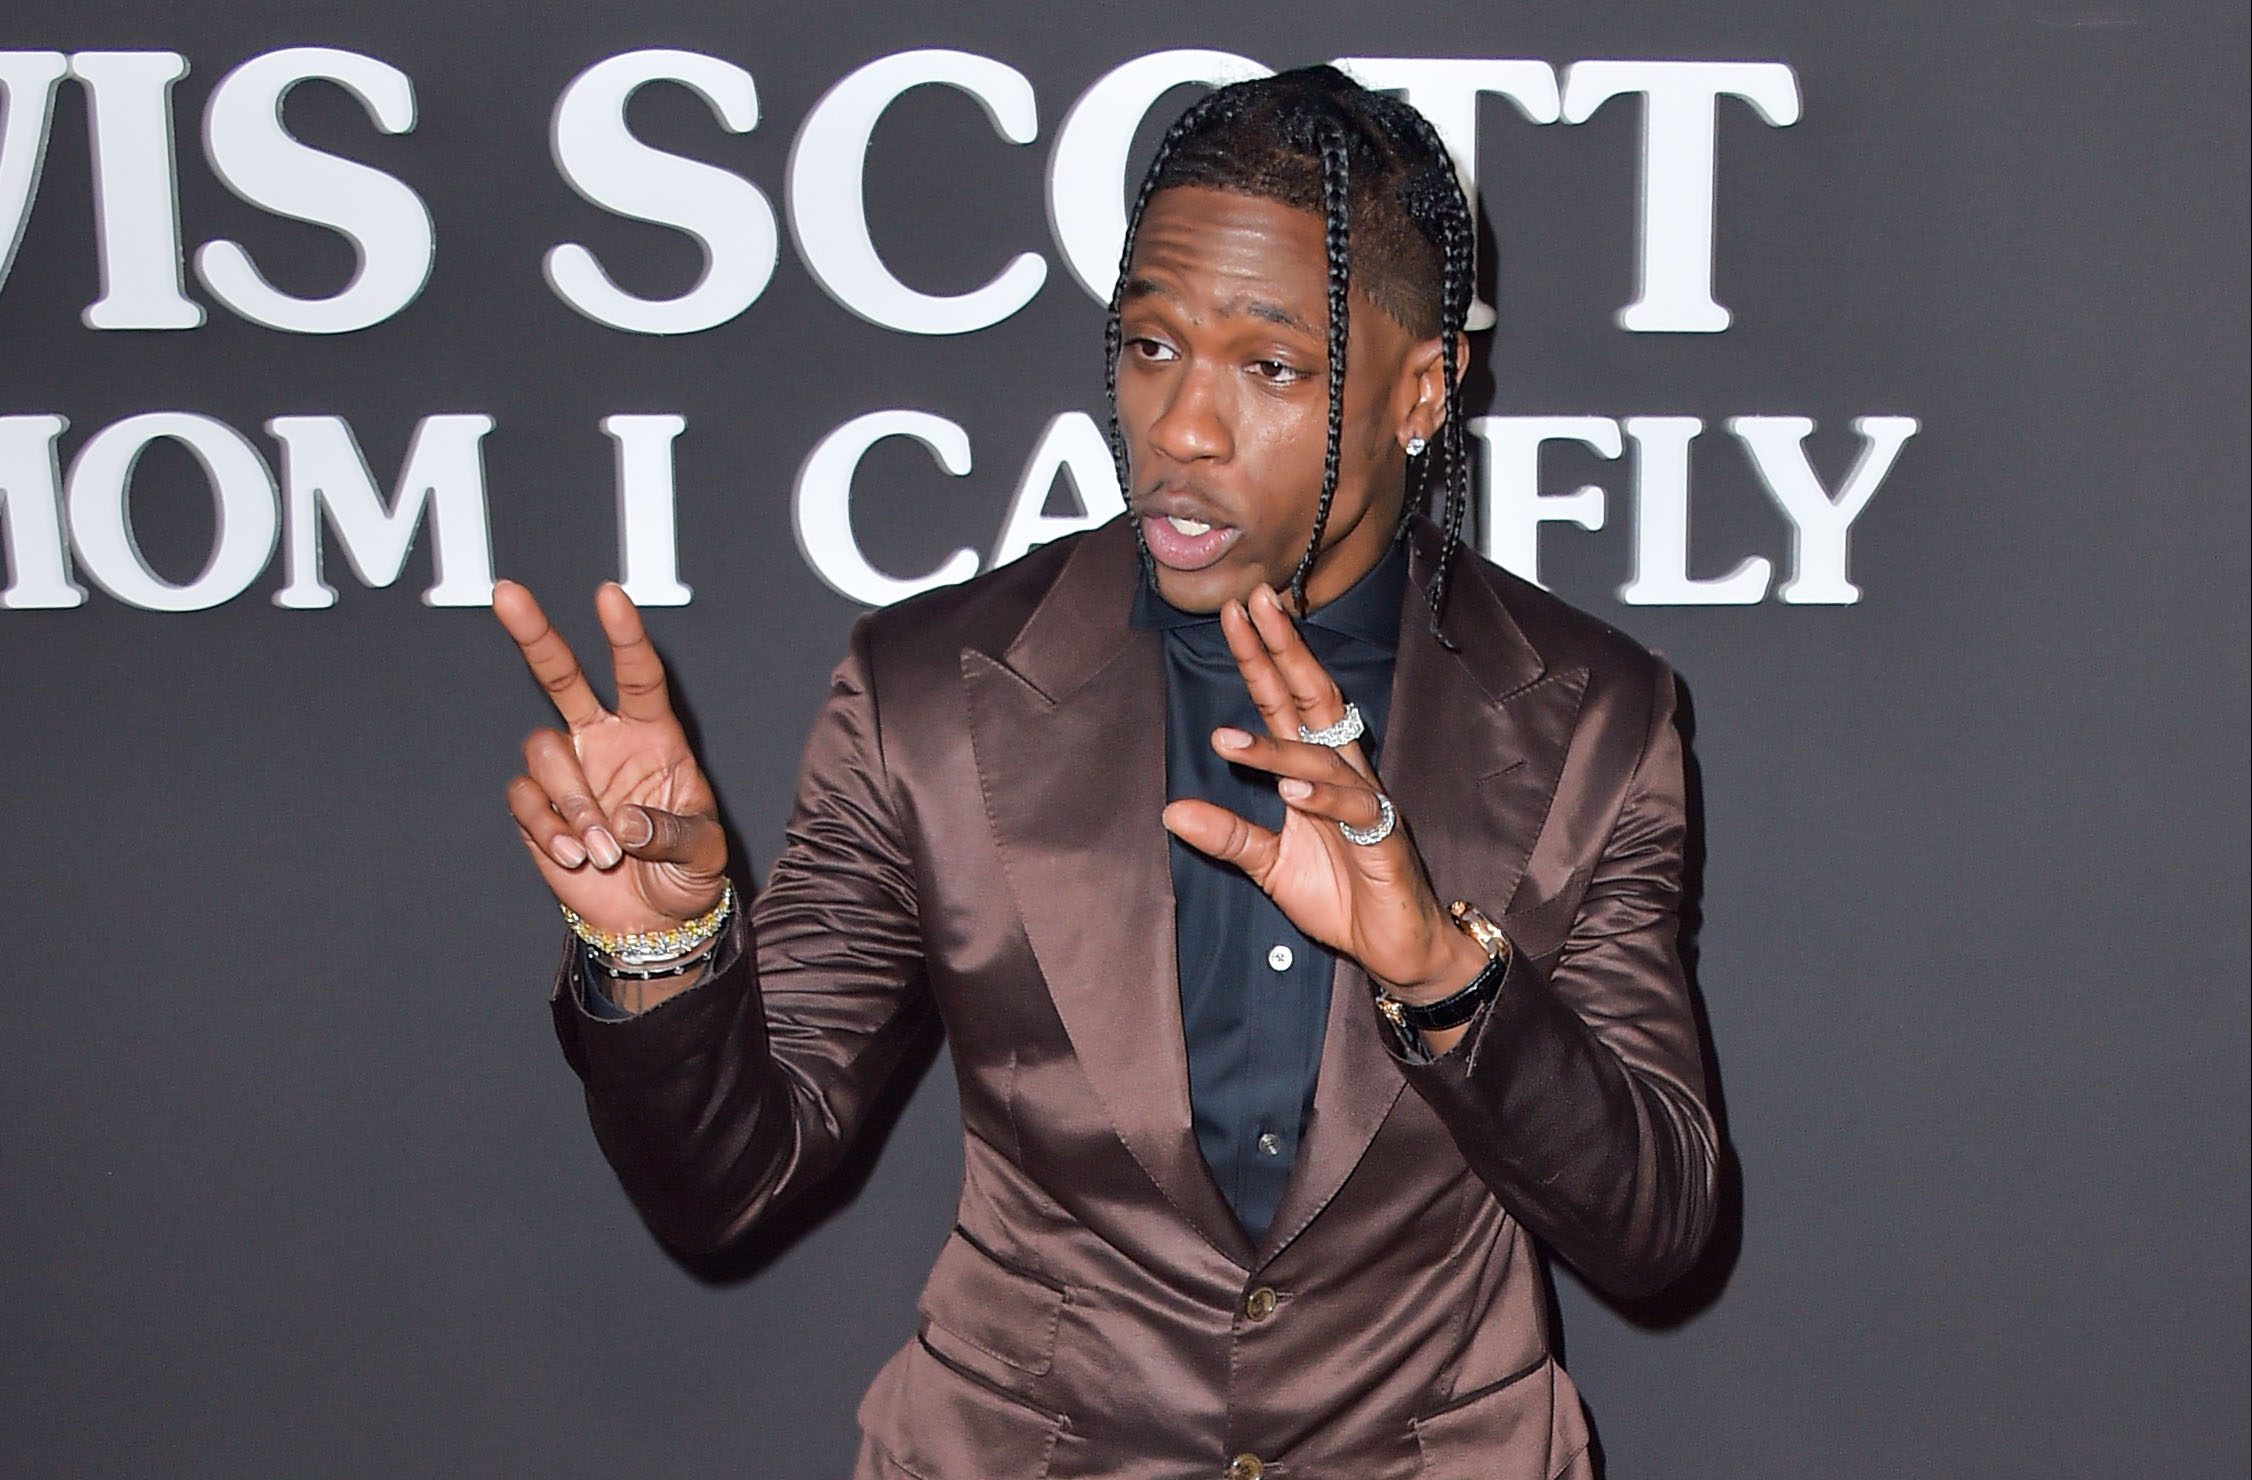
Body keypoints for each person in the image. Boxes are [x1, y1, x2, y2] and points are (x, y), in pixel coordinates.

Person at [495, 66, 1716, 1480]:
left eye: (1270, 368)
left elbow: (1657, 1223)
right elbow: (726, 1181)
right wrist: (659, 950)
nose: (1182, 430)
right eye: (1148, 349)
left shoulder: (1593, 722)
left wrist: (1445, 975)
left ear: (1422, 391)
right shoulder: (931, 700)